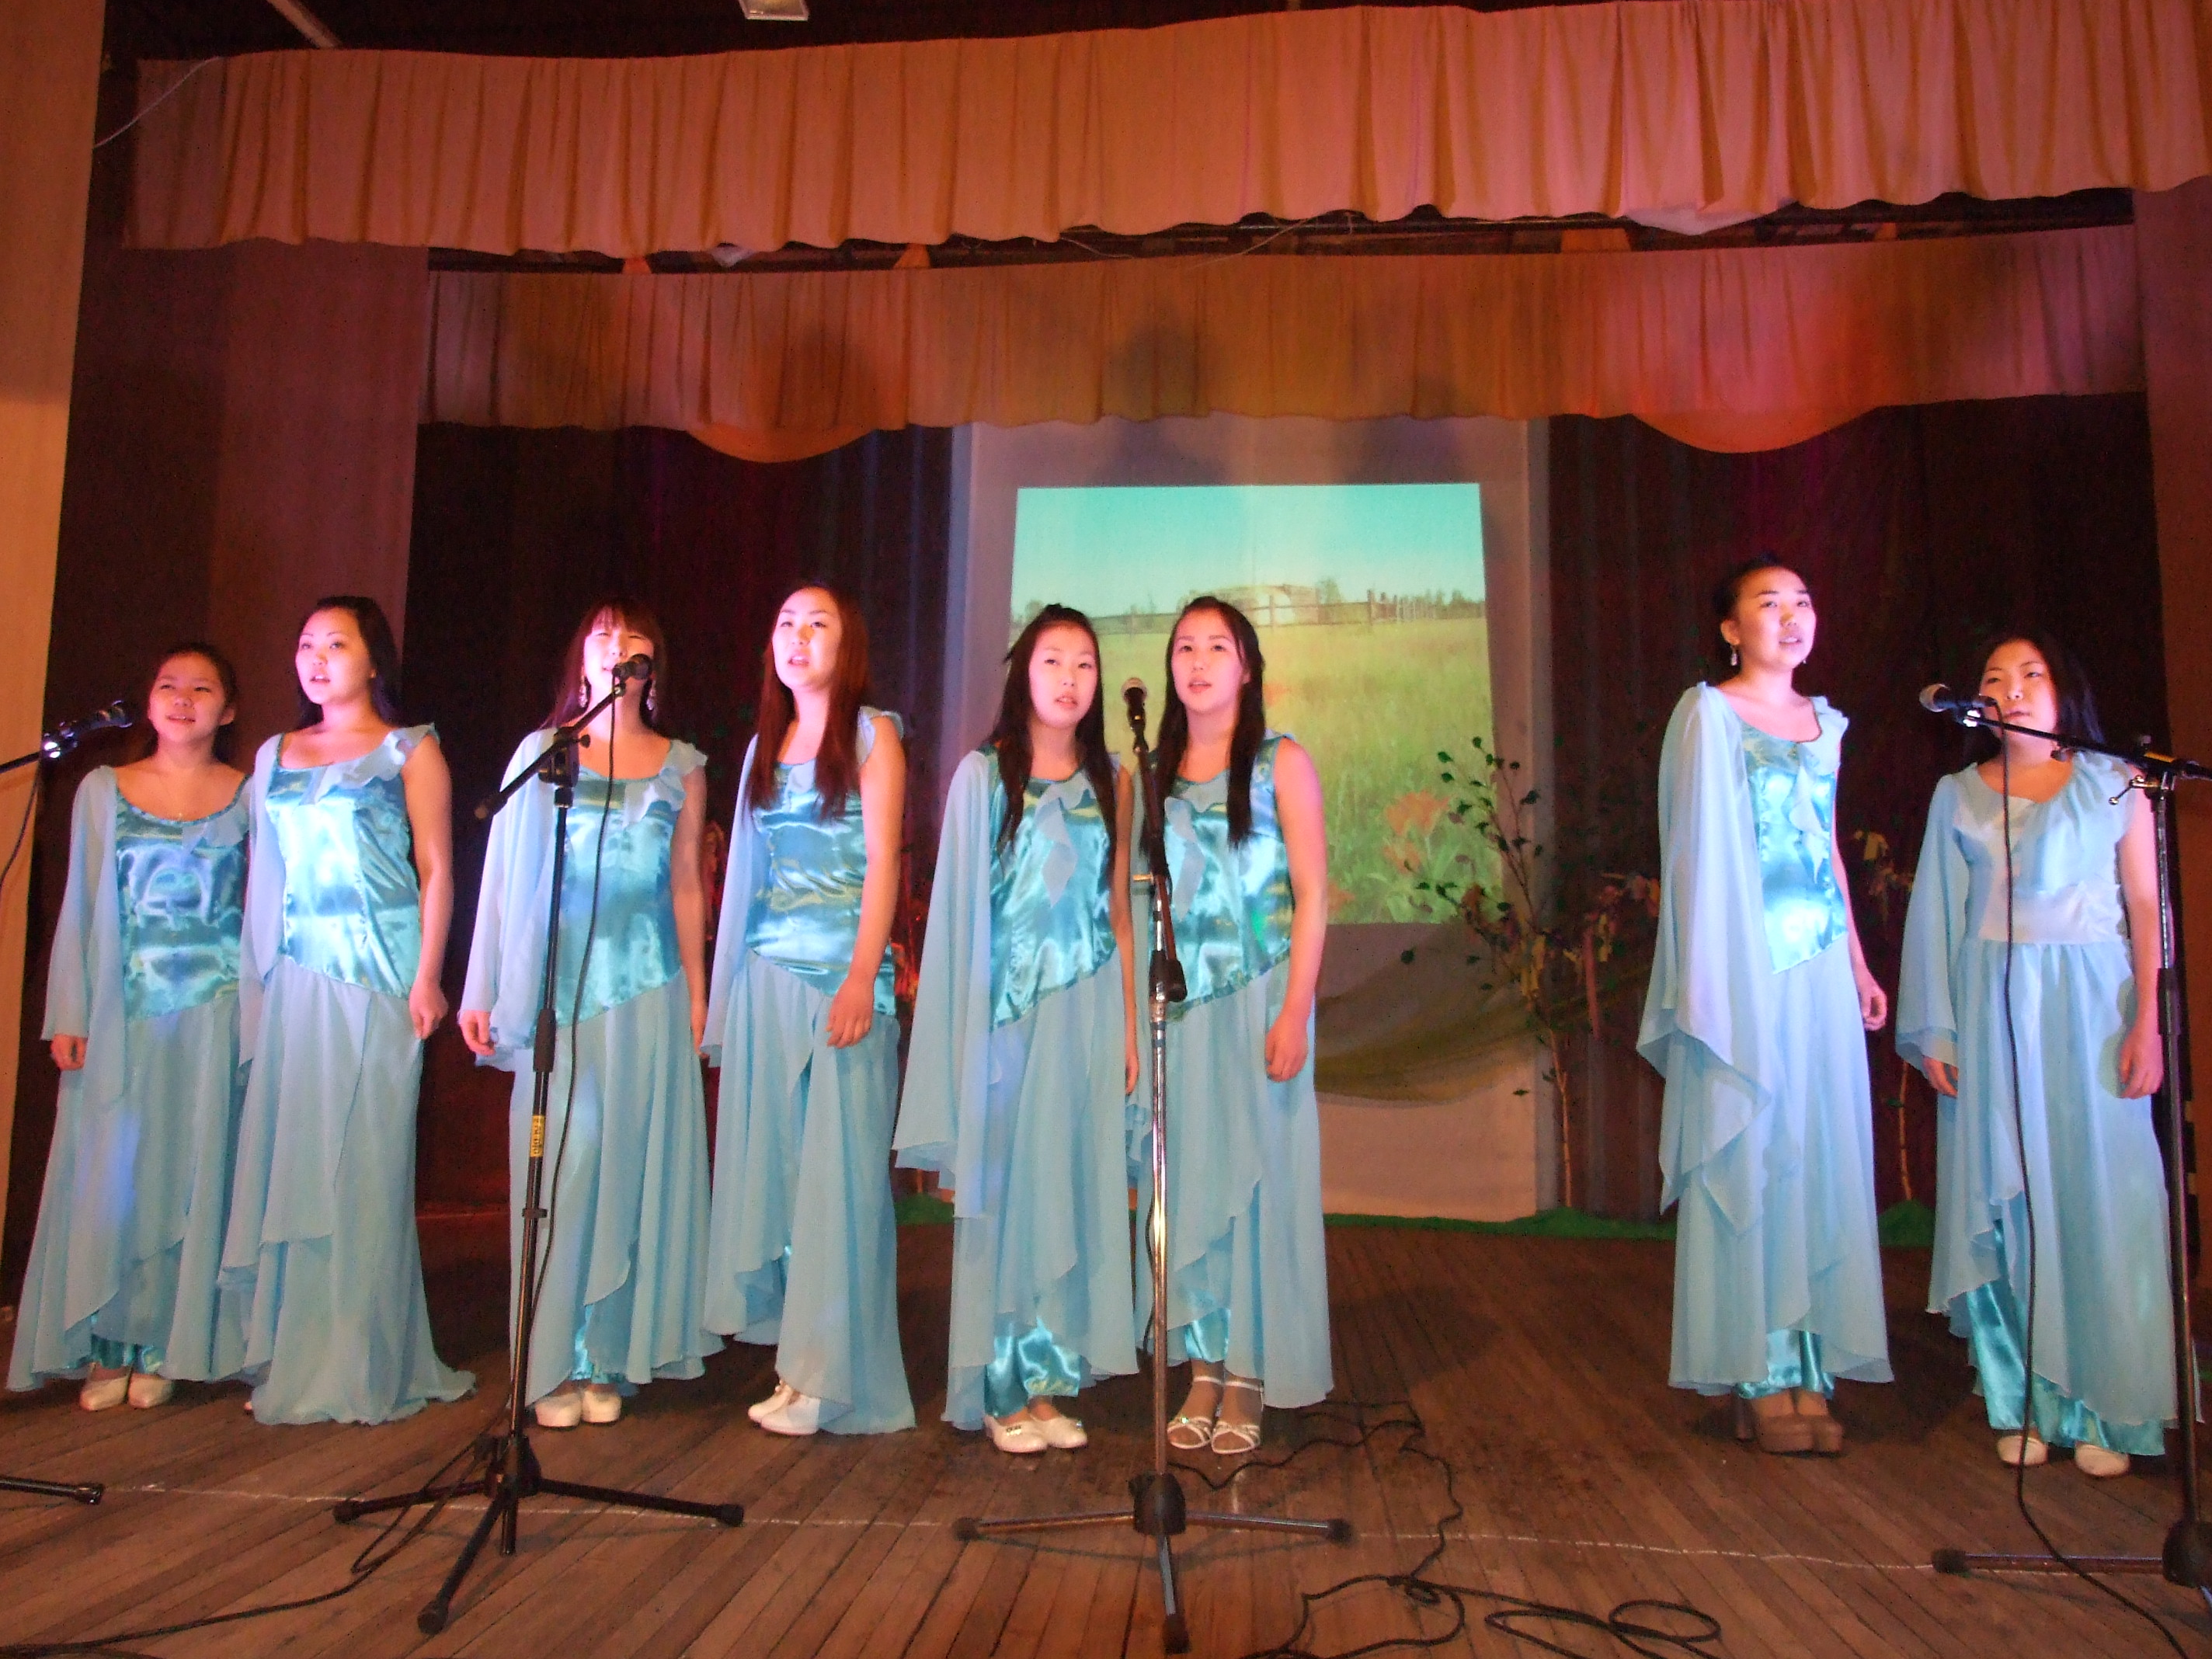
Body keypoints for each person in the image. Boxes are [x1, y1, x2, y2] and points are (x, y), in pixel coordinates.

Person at [1897, 633, 2172, 1477]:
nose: (2010, 689)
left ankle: (2105, 1407)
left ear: (2063, 690)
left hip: (2094, 1007)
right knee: (2007, 1197)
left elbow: (2144, 905)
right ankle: (2025, 1400)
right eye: (1993, 678)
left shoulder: (2116, 781)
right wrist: (1939, 1030)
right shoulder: (1958, 794)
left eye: (2030, 674)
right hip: (1994, 1010)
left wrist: (2149, 1021)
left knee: (2103, 1197)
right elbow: (1937, 917)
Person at [1636, 560, 1891, 1455]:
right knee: (1757, 1146)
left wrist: (1857, 962)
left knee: (1815, 1153)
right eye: (1768, 603)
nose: (1791, 616)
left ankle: (1808, 1366)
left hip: (1815, 967)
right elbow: (1691, 853)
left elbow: (1824, 846)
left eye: (1803, 602)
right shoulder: (1707, 713)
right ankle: (1759, 1371)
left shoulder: (1827, 723)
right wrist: (1704, 979)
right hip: (1744, 968)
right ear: (1729, 629)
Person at [461, 600, 718, 1429]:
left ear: (653, 665)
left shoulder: (682, 765)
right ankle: (547, 1362)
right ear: (582, 659)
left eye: (634, 638)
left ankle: (604, 1354)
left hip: (648, 990)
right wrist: (481, 988)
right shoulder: (545, 754)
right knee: (561, 1171)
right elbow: (503, 877)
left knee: (629, 1170)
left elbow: (686, 884)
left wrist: (700, 992)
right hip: (559, 995)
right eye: (604, 636)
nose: (618, 648)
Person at [896, 604, 1139, 1452]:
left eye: (1084, 665)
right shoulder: (982, 776)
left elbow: (1119, 911)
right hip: (1005, 1023)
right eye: (1052, 662)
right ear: (1023, 675)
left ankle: (1048, 1378)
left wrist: (1128, 1031)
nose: (1069, 679)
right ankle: (999, 1387)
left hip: (1085, 1015)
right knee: (1005, 1202)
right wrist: (965, 1037)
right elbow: (960, 916)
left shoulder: (1114, 779)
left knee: (1067, 1190)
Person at [224, 596, 473, 1424]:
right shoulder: (274, 754)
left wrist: (429, 976)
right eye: (306, 644)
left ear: (373, 661)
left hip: (379, 975)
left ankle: (363, 1360)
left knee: (364, 1169)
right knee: (296, 1162)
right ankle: (299, 1354)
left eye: (336, 643)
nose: (317, 658)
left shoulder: (411, 748)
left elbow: (437, 870)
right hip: (297, 975)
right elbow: (265, 877)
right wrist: (258, 981)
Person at [9, 645, 250, 1407]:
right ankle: (108, 1344)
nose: (182, 699)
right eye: (168, 685)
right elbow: (80, 904)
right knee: (113, 1176)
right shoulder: (102, 789)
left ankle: (170, 1344)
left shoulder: (251, 796)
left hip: (215, 1013)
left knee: (191, 1174)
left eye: (202, 689)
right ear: (148, 700)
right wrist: (68, 1010)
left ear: (228, 709)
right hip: (123, 1010)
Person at [703, 584, 913, 1438]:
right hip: (768, 982)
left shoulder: (873, 735)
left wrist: (863, 976)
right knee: (786, 1179)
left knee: (841, 1184)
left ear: (847, 645)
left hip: (840, 984)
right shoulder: (767, 744)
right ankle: (798, 1368)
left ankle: (835, 1379)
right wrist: (730, 996)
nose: (798, 636)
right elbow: (747, 880)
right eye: (785, 623)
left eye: (817, 624)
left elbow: (884, 861)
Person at [1135, 597, 1331, 1456]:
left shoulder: (1282, 762)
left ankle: (1250, 1370)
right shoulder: (1154, 775)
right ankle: (1203, 1367)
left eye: (1217, 647)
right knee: (1190, 1186)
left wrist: (1295, 1011)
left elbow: (1314, 896)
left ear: (1246, 667)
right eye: (1185, 647)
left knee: (1259, 1186)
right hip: (1181, 1013)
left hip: (1259, 1002)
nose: (1198, 661)